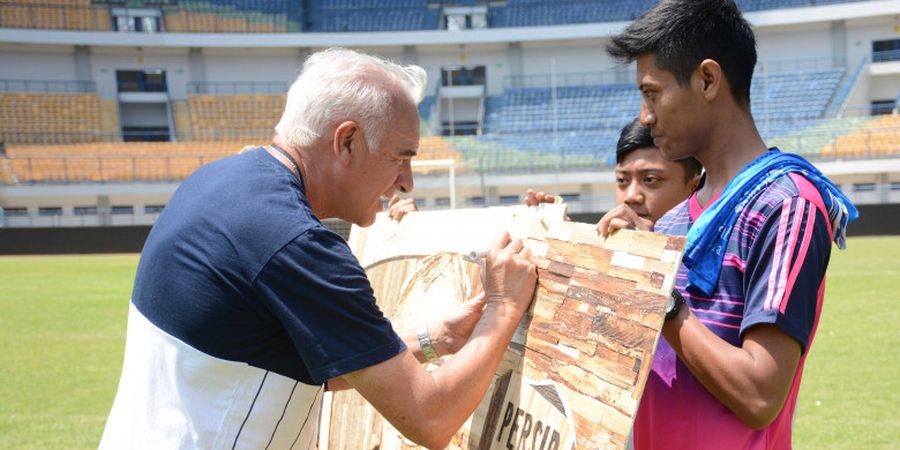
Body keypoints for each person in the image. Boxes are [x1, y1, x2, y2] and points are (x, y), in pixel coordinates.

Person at [99, 48, 537, 450]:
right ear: (346, 141)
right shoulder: (298, 244)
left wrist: (433, 339)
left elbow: (293, 361)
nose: (407, 181)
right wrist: (501, 306)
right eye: (400, 156)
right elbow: (431, 417)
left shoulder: (217, 182)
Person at [598, 1, 858, 448]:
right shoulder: (674, 217)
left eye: (652, 93)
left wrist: (658, 292)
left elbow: (759, 395)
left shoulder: (787, 205)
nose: (645, 115)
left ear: (707, 80)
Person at [525, 118, 701, 228]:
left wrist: (648, 252)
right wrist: (561, 237)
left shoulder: (716, 257)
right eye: (622, 180)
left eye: (650, 179)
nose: (631, 196)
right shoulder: (610, 247)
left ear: (693, 187)